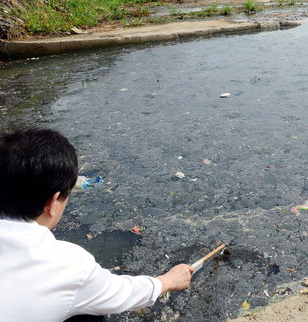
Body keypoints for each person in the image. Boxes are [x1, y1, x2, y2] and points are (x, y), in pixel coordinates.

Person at [0, 128, 194, 322]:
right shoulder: (68, 265)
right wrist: (168, 281)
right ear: (53, 202)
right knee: (89, 313)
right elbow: (121, 294)